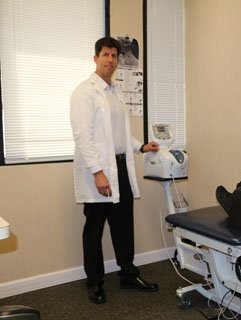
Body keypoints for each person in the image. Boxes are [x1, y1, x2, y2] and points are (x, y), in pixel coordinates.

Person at [70, 37, 160, 304]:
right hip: (98, 171)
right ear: (95, 57)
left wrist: (141, 147)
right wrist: (98, 172)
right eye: (106, 54)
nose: (110, 60)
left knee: (123, 226)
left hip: (120, 167)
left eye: (114, 56)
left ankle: (128, 274)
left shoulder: (115, 92)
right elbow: (83, 137)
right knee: (94, 229)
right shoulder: (84, 92)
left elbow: (119, 135)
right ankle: (95, 282)